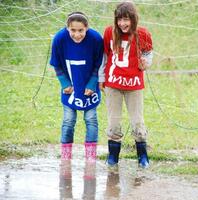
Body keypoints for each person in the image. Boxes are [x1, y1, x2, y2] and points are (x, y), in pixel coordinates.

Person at [98, 1, 153, 168]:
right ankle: (113, 156)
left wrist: (146, 63)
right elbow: (105, 57)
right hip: (113, 83)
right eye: (119, 19)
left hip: (134, 84)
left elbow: (148, 54)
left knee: (137, 120)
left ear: (134, 19)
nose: (122, 23)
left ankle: (142, 155)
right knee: (113, 121)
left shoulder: (143, 34)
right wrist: (101, 78)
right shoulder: (109, 32)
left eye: (126, 19)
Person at [50, 11, 104, 162]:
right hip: (70, 88)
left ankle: (90, 157)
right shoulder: (59, 39)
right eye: (73, 30)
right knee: (68, 120)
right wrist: (64, 83)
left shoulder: (96, 39)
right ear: (67, 28)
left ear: (87, 27)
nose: (77, 34)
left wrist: (93, 83)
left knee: (91, 119)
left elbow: (99, 63)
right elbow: (57, 64)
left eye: (81, 30)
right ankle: (66, 156)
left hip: (89, 87)